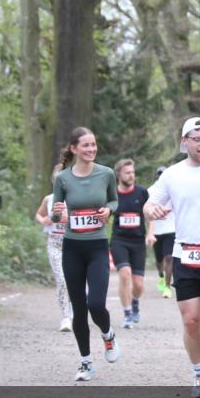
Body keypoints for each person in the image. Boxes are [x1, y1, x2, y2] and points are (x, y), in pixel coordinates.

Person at [145, 117, 200, 398]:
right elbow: (150, 202)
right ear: (184, 142)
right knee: (191, 321)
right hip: (185, 254)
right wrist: (152, 210)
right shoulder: (172, 174)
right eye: (197, 139)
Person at [51, 127, 121, 382]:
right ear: (74, 149)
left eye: (93, 144)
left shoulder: (106, 174)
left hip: (97, 247)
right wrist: (59, 214)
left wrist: (108, 211)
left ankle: (108, 335)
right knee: (78, 309)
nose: (91, 149)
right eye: (86, 145)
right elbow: (55, 214)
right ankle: (86, 362)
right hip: (72, 248)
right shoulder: (63, 179)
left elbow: (114, 201)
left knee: (96, 304)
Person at [109, 159, 151, 329]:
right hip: (119, 240)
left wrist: (151, 233)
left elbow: (150, 215)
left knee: (138, 284)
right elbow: (104, 215)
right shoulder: (112, 194)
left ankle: (134, 302)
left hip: (138, 242)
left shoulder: (142, 192)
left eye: (133, 172)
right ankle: (127, 314)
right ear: (118, 174)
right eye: (127, 173)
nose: (131, 175)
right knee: (125, 274)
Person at [35, 164, 73, 333]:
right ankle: (66, 317)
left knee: (74, 281)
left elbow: (85, 217)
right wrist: (43, 220)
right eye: (58, 179)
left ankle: (74, 309)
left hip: (73, 244)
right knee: (61, 280)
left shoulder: (76, 199)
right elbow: (39, 214)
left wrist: (68, 217)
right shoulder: (49, 199)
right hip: (55, 244)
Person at [148, 166, 176, 299]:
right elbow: (147, 212)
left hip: (171, 229)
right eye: (159, 174)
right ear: (157, 176)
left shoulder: (175, 189)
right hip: (157, 231)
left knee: (169, 258)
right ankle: (160, 276)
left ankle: (167, 287)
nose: (161, 176)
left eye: (163, 174)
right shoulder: (150, 191)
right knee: (159, 260)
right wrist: (150, 232)